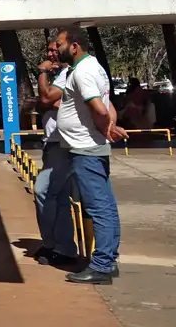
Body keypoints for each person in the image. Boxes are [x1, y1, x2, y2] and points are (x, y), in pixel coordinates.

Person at [50, 27, 127, 285]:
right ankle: (109, 260)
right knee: (106, 206)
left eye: (60, 43)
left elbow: (99, 108)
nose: (57, 48)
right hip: (89, 147)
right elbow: (108, 104)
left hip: (86, 149)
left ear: (74, 46)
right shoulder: (92, 67)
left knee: (98, 208)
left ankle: (101, 266)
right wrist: (108, 127)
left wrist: (105, 128)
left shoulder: (83, 71)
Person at [30, 46, 79, 268]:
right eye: (49, 50)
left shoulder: (70, 73)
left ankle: (54, 245)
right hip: (52, 142)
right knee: (59, 198)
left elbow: (47, 98)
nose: (51, 54)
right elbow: (45, 101)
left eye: (56, 48)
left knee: (43, 190)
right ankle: (63, 248)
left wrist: (42, 72)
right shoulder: (61, 75)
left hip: (63, 143)